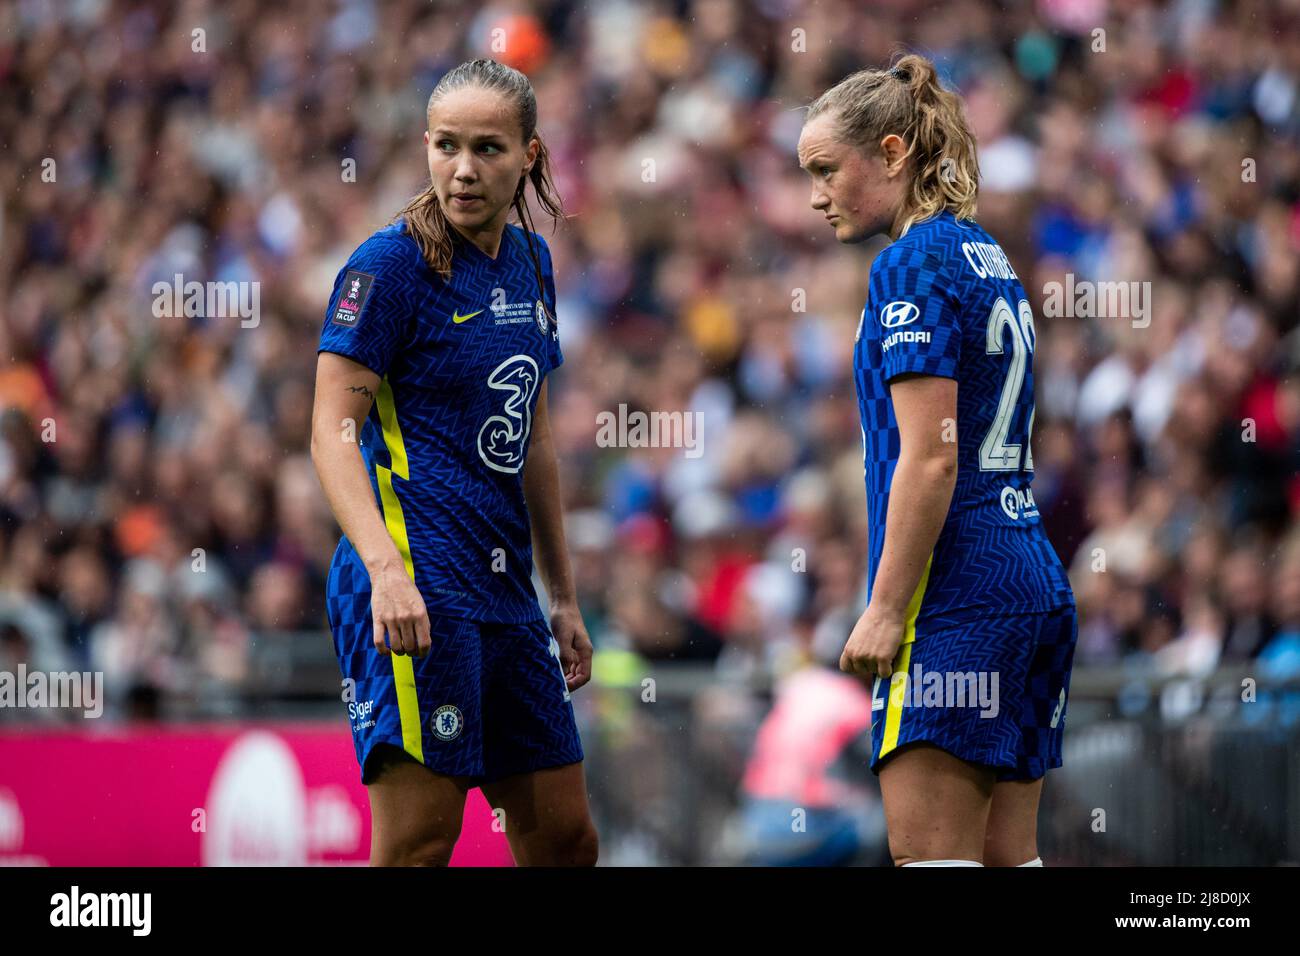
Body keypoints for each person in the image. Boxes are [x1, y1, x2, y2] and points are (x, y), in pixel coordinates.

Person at [310, 58, 597, 866]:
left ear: (530, 155)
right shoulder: (389, 267)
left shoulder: (532, 263)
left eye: (488, 149)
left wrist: (564, 595)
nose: (463, 169)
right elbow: (330, 431)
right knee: (420, 845)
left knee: (568, 841)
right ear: (424, 146)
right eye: (446, 146)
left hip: (504, 590)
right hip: (415, 579)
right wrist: (386, 570)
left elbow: (535, 437)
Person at [796, 53, 1078, 867]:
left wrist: (885, 608)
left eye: (826, 170)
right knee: (1008, 860)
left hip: (957, 595)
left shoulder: (909, 264)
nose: (815, 195)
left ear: (891, 153)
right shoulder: (985, 253)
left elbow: (931, 459)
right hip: (1032, 585)